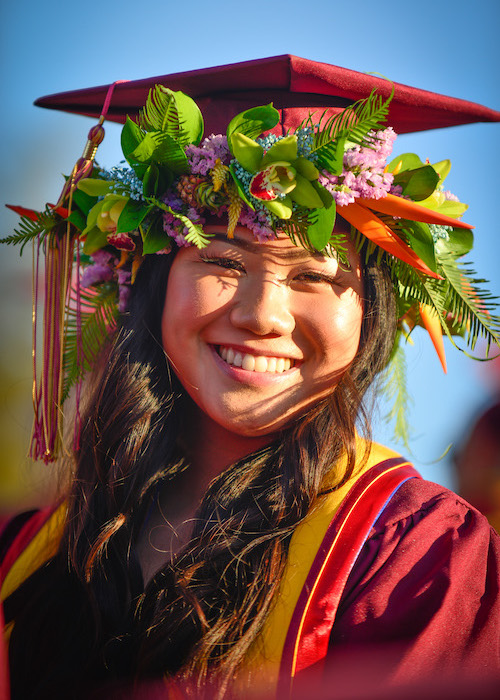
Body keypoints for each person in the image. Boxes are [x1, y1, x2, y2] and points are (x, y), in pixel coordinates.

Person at [1, 56, 500, 699]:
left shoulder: (416, 559)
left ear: (373, 313)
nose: (262, 315)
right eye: (221, 260)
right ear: (149, 282)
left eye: (315, 276)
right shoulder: (28, 554)